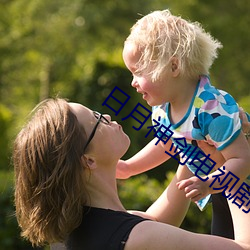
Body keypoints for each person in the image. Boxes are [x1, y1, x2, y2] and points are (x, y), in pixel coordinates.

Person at [13, 98, 250, 250]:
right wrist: (234, 164)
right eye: (97, 120)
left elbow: (157, 221)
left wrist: (195, 142)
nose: (106, 116)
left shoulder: (73, 234)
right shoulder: (138, 238)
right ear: (88, 160)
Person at [119, 9, 250, 239]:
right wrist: (130, 167)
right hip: (220, 187)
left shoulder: (211, 108)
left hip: (241, 185)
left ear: (173, 67)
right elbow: (167, 143)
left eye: (138, 72)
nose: (133, 83)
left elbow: (243, 160)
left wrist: (209, 183)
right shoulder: (163, 109)